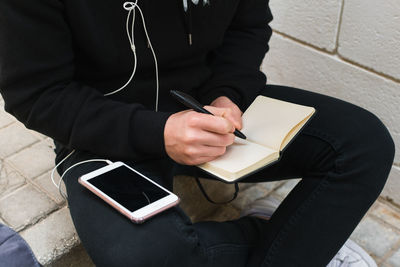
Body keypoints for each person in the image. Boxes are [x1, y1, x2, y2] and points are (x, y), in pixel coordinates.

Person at [0, 0, 394, 266]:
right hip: (102, 129)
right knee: (143, 257)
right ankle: (294, 237)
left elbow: (249, 27)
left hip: (209, 105)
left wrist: (229, 93)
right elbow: (37, 94)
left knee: (364, 144)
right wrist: (158, 132)